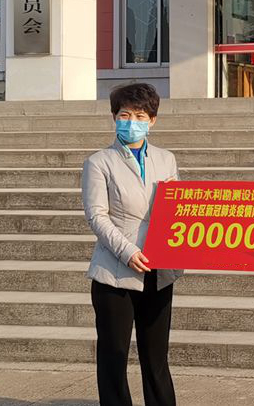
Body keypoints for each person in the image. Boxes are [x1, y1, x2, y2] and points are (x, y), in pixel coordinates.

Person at [82, 83, 181, 406]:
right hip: (115, 273)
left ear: (152, 121)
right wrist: (127, 251)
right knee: (114, 356)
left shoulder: (166, 159)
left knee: (156, 358)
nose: (131, 122)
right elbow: (97, 216)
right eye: (125, 115)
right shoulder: (99, 162)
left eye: (140, 116)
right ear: (114, 117)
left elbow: (176, 209)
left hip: (158, 270)